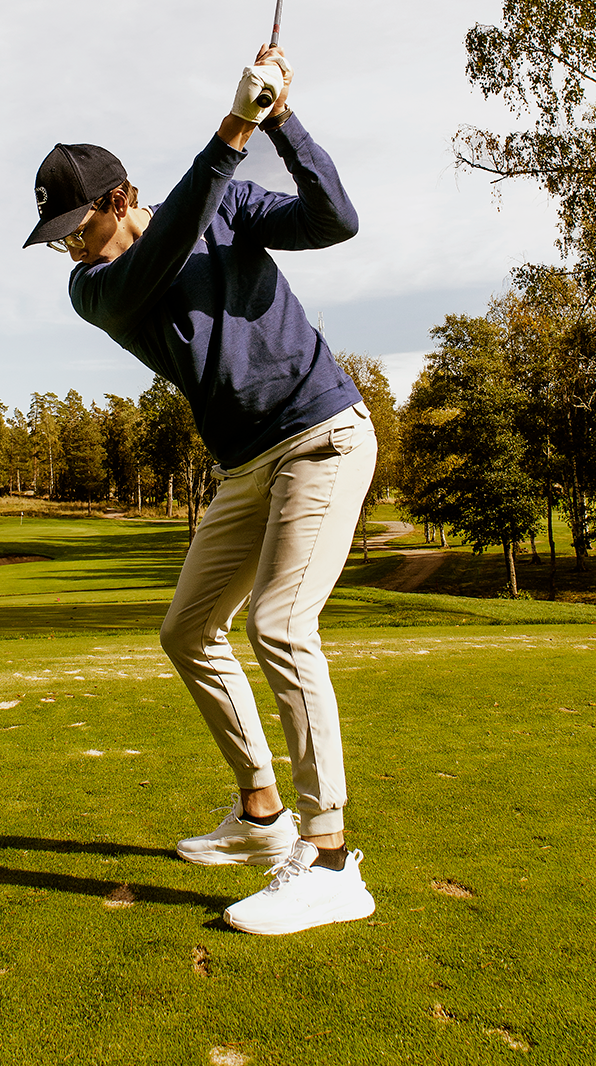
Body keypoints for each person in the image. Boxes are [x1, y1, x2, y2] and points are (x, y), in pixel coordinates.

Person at [22, 46, 377, 935]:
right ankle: (262, 811)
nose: (68, 242)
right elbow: (167, 244)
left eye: (76, 222)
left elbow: (337, 220)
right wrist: (231, 131)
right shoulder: (94, 287)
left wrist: (282, 122)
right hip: (243, 466)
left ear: (115, 199)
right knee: (187, 629)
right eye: (60, 232)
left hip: (322, 436)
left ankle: (331, 860)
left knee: (281, 625)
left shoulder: (228, 206)